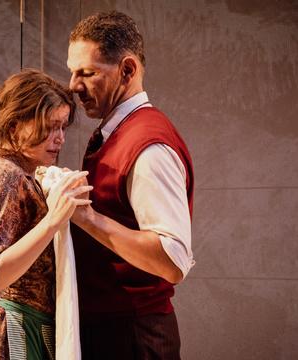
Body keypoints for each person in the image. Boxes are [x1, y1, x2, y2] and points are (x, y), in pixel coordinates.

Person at [66, 11, 195, 359]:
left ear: (127, 70)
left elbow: (173, 260)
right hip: (114, 332)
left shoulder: (148, 146)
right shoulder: (118, 133)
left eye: (87, 73)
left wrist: (86, 218)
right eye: (72, 71)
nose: (73, 86)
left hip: (134, 339)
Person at [0, 69, 92, 360]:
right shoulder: (6, 176)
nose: (60, 138)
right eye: (50, 127)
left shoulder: (15, 174)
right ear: (15, 125)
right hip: (10, 334)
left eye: (63, 127)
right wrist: (54, 220)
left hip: (21, 326)